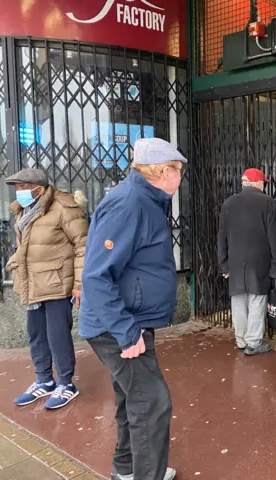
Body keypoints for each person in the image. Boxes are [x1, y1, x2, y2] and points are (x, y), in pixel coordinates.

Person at [79, 138, 185, 480]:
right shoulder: (130, 203)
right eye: (179, 171)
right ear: (164, 171)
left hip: (127, 320)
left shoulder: (146, 200)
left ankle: (125, 470)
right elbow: (97, 276)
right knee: (152, 404)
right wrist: (126, 332)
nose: (181, 177)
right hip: (119, 325)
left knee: (132, 399)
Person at [6, 168, 88, 409]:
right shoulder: (24, 210)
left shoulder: (64, 207)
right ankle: (44, 380)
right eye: (16, 188)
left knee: (57, 335)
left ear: (38, 189)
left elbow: (83, 246)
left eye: (22, 187)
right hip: (33, 282)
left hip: (57, 282)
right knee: (37, 334)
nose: (18, 192)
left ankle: (66, 383)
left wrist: (79, 285)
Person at [218, 168, 276, 355]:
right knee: (257, 299)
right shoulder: (268, 203)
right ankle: (253, 342)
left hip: (235, 261)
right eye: (263, 182)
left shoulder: (228, 203)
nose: (264, 186)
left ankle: (240, 339)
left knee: (238, 299)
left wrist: (224, 264)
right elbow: (275, 238)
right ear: (258, 183)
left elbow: (221, 237)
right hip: (259, 261)